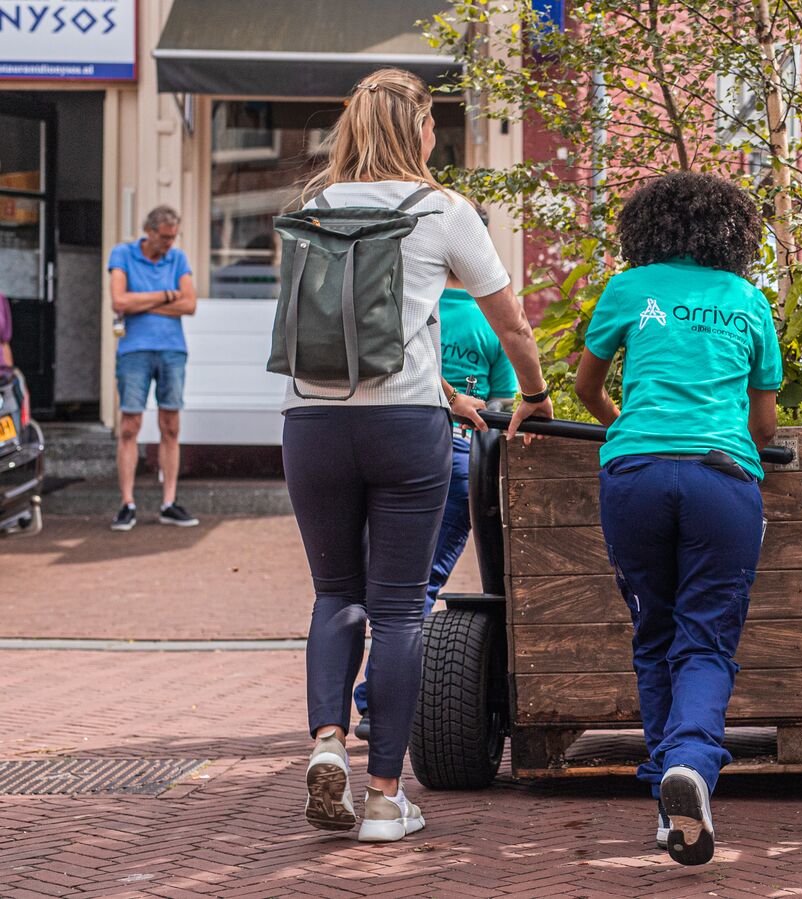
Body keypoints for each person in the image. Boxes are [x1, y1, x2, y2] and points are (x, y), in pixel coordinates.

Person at [286, 68, 552, 844]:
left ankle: (327, 740)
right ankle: (380, 798)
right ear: (420, 131)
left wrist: (438, 385)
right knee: (400, 605)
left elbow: (336, 328)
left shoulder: (313, 208)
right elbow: (513, 326)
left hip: (311, 422)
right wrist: (530, 395)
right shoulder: (441, 209)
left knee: (336, 592)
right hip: (404, 427)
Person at [574, 172, 781, 868]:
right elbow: (764, 421)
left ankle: (669, 794)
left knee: (653, 629)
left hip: (634, 476)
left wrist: (627, 429)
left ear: (647, 229)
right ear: (733, 233)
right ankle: (690, 763)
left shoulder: (628, 291)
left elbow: (586, 386)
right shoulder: (747, 300)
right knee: (706, 638)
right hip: (722, 478)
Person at [350, 259, 517, 740]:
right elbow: (501, 407)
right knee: (420, 587)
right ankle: (378, 706)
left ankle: (371, 702)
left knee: (387, 583)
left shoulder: (413, 306)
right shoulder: (494, 318)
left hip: (398, 447)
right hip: (460, 458)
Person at [107, 206, 198, 531]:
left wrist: (141, 301)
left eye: (174, 237)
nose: (170, 244)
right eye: (165, 237)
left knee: (170, 424)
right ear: (150, 231)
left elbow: (190, 304)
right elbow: (119, 302)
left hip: (172, 350)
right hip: (134, 350)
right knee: (130, 424)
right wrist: (165, 295)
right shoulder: (123, 254)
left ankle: (169, 502)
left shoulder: (178, 259)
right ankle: (127, 503)